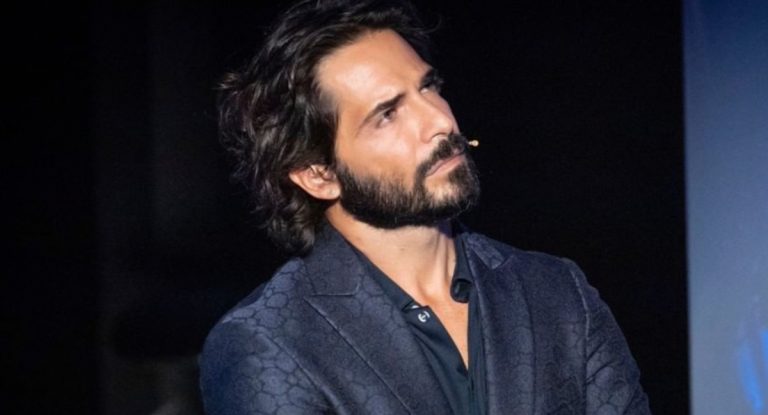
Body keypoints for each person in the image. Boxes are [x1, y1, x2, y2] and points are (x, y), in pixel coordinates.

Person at [199, 1, 651, 414]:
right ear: (318, 175)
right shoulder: (269, 343)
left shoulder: (556, 292)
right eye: (387, 114)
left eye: (429, 87)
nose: (440, 120)